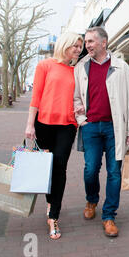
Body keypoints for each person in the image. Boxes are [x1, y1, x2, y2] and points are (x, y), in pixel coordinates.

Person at [73, 26, 129, 237]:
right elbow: (76, 98)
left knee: (114, 173)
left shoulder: (121, 67)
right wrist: (81, 118)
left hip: (114, 128)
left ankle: (109, 216)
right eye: (86, 42)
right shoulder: (81, 67)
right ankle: (92, 200)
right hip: (90, 126)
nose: (87, 45)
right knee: (90, 169)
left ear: (104, 42)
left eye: (91, 41)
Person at [25, 32, 83, 240]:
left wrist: (81, 109)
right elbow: (36, 96)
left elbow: (80, 97)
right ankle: (51, 202)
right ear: (65, 45)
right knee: (46, 167)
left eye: (80, 46)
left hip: (67, 126)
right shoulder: (45, 65)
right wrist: (30, 124)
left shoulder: (77, 71)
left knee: (59, 167)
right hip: (43, 124)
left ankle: (53, 216)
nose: (78, 49)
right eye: (75, 45)